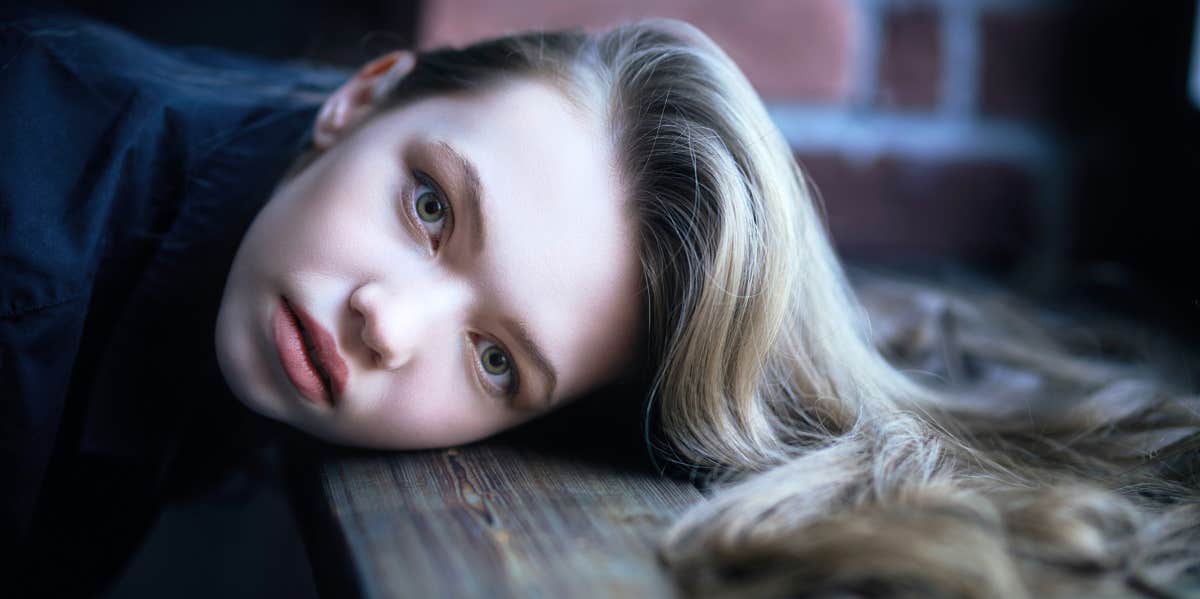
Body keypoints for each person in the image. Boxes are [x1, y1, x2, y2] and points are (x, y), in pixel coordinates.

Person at [3, 8, 1197, 599]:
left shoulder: (280, 193)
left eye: (497, 360)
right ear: (362, 99)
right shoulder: (27, 271)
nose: (389, 324)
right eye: (431, 209)